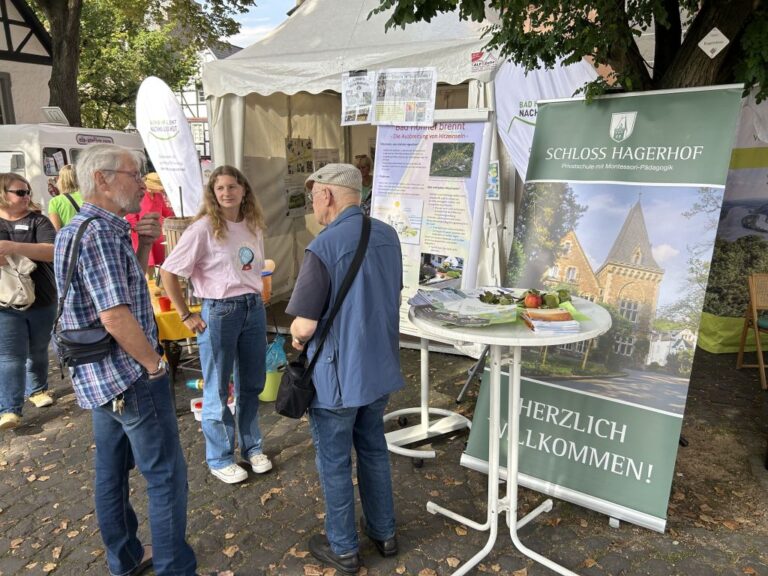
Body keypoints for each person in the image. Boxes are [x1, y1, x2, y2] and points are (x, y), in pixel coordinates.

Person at [54, 144, 233, 576]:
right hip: (129, 376)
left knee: (111, 475)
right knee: (165, 477)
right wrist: (155, 365)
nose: (142, 183)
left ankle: (127, 559)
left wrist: (147, 242)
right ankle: (175, 567)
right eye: (135, 175)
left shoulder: (82, 229)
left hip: (99, 378)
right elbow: (115, 315)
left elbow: (121, 292)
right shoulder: (99, 234)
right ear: (103, 178)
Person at [287, 163, 404, 574]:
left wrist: (296, 340)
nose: (313, 203)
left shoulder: (325, 245)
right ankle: (384, 533)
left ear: (328, 196)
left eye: (314, 195)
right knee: (373, 449)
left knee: (335, 461)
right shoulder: (389, 236)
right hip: (379, 370)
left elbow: (304, 323)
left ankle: (343, 548)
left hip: (336, 377)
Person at [160, 165, 272, 484]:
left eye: (232, 186)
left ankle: (252, 447)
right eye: (219, 188)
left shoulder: (253, 224)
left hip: (252, 308)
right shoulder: (204, 228)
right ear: (212, 193)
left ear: (244, 190)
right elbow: (169, 272)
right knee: (218, 387)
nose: (226, 192)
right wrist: (186, 314)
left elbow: (253, 267)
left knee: (252, 384)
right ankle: (220, 457)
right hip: (220, 310)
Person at [0, 173, 57, 431]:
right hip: (5, 302)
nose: (27, 197)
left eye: (27, 192)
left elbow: (52, 251)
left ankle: (38, 389)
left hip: (42, 298)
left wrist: (12, 247)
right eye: (20, 192)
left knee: (38, 349)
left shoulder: (38, 221)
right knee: (10, 356)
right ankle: (10, 409)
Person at [126, 172, 175, 269]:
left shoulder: (158, 196)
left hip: (156, 233)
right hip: (141, 233)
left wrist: (175, 216)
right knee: (145, 262)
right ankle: (146, 281)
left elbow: (166, 212)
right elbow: (130, 215)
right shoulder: (140, 196)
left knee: (158, 261)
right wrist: (136, 228)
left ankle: (152, 282)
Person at [47, 164, 83, 231]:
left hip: (70, 240)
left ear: (61, 181)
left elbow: (55, 230)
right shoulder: (90, 196)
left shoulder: (55, 202)